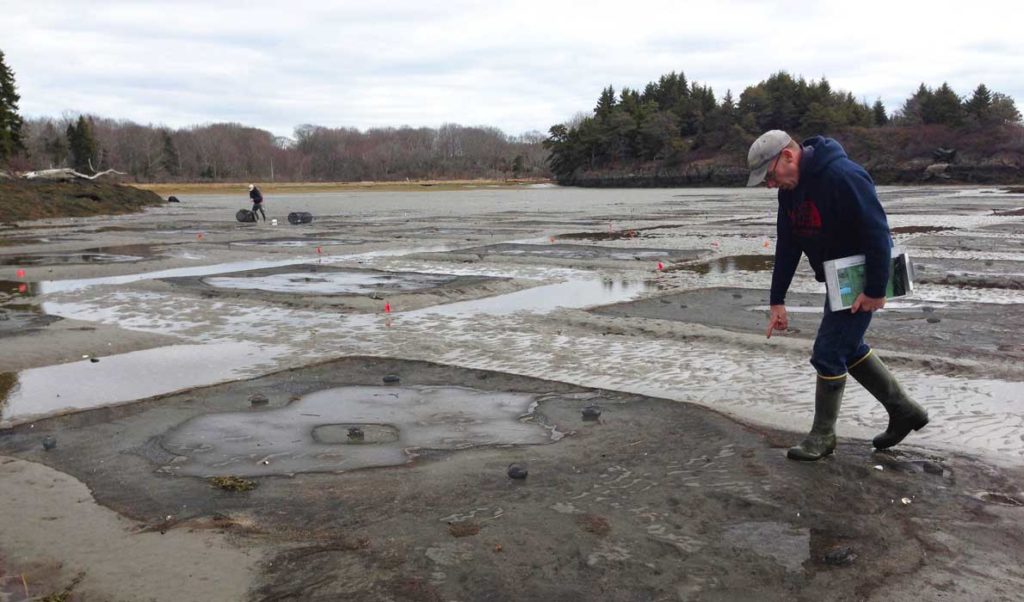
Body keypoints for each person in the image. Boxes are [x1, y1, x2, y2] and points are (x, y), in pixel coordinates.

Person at [747, 130, 929, 461]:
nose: (770, 185)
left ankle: (823, 436)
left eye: (770, 176)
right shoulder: (789, 194)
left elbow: (877, 233)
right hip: (839, 281)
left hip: (864, 278)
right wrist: (777, 300)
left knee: (828, 352)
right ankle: (904, 411)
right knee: (848, 346)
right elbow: (788, 246)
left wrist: (874, 289)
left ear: (788, 157)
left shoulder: (843, 176)